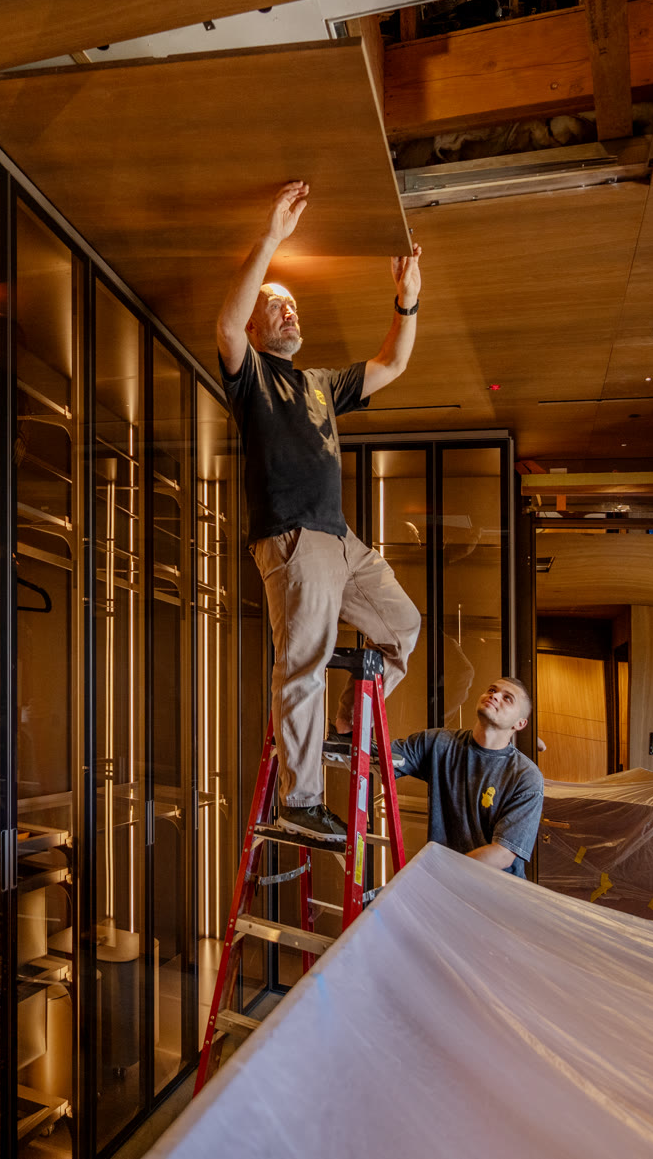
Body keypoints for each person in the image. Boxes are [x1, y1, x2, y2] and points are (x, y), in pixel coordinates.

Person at [215, 180, 424, 846]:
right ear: (257, 325)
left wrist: (407, 300)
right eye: (275, 304)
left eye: (293, 305)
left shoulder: (321, 385)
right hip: (293, 536)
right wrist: (272, 236)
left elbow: (393, 361)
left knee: (403, 625)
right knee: (304, 660)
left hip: (342, 540)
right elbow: (225, 327)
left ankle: (344, 725)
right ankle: (299, 800)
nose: (288, 311)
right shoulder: (251, 377)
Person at [390, 678, 544, 877]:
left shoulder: (526, 777)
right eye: (492, 689)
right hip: (444, 881)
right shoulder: (439, 743)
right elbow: (380, 758)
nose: (495, 696)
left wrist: (438, 878)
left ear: (520, 723)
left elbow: (502, 855)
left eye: (507, 698)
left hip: (493, 889)